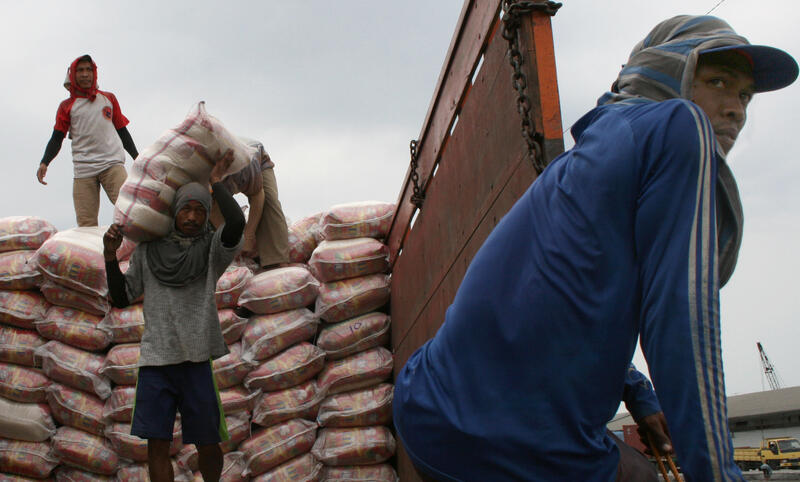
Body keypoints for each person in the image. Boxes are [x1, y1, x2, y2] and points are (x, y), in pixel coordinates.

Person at [392, 15, 798, 482]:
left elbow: (560, 297)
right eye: (718, 81)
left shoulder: (590, 155)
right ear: (666, 71)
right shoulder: (679, 125)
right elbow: (681, 314)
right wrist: (717, 473)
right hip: (509, 444)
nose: (735, 110)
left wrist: (639, 393)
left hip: (426, 410)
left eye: (744, 95)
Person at [103, 151, 244, 482]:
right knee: (157, 445)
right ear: (175, 212)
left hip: (196, 361)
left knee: (208, 443)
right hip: (156, 361)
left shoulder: (211, 252)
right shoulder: (148, 252)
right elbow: (122, 297)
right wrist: (110, 257)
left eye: (199, 210)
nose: (193, 216)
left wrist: (216, 183)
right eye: (186, 209)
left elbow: (237, 223)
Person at [37, 54, 138, 227]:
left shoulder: (109, 99)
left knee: (129, 210)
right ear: (73, 75)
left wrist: (138, 158)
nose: (85, 74)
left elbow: (122, 131)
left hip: (111, 164)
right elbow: (57, 137)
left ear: (94, 73)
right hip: (84, 170)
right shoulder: (66, 106)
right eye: (80, 70)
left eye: (89, 70)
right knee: (85, 224)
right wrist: (45, 162)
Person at [209, 139, 289, 269]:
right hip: (218, 182)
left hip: (259, 161)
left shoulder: (246, 164)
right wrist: (234, 242)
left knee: (270, 203)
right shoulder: (202, 175)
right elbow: (212, 208)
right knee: (223, 230)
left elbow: (257, 195)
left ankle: (276, 261)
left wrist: (249, 235)